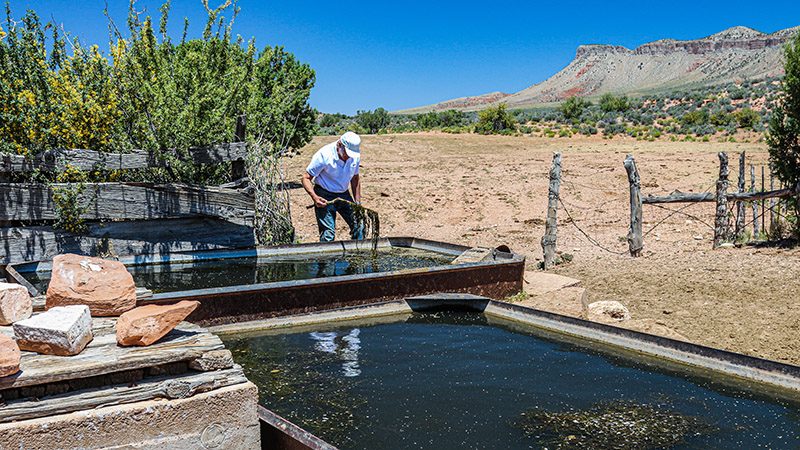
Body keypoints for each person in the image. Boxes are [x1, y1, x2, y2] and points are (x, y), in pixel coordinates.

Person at [302, 131, 364, 242]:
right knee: (328, 234)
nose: (347, 157)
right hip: (324, 193)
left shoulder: (354, 156)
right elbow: (306, 178)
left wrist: (358, 203)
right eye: (346, 154)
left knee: (359, 225)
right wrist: (315, 198)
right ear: (339, 145)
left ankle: (357, 256)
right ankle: (326, 259)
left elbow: (355, 178)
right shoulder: (324, 155)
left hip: (343, 193)